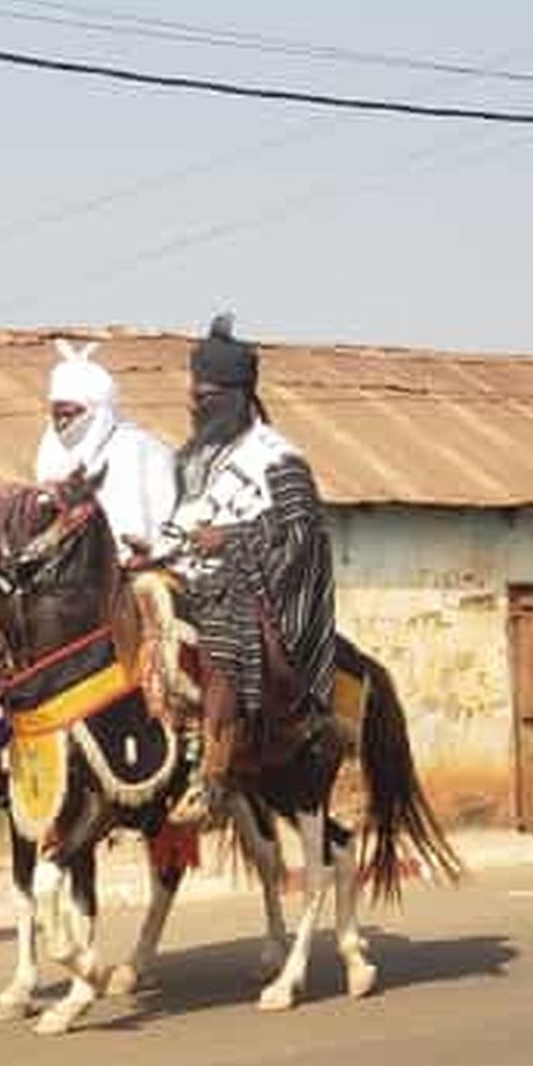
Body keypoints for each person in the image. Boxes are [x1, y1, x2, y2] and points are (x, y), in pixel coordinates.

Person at [167, 313, 335, 817]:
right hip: (193, 576)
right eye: (194, 396)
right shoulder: (191, 460)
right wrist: (153, 549)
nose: (195, 405)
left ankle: (213, 770)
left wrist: (231, 538)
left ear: (236, 397)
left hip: (265, 594)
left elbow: (303, 533)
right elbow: (181, 524)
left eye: (206, 397)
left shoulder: (277, 458)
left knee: (222, 621)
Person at [35, 339, 177, 558]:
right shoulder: (52, 450)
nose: (61, 424)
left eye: (70, 414)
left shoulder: (136, 448)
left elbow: (146, 516)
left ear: (96, 412)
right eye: (56, 414)